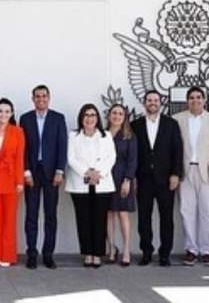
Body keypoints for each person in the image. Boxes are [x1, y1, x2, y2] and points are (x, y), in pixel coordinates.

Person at [174, 87, 209, 266]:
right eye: (191, 98)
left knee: (207, 212)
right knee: (186, 211)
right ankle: (191, 249)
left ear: (204, 100)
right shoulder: (178, 119)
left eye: (198, 97)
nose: (195, 100)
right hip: (185, 170)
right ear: (187, 100)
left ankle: (207, 250)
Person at [130, 90, 183, 266]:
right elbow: (133, 154)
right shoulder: (135, 125)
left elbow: (178, 151)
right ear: (144, 103)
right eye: (149, 100)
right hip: (143, 179)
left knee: (166, 218)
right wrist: (132, 177)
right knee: (144, 218)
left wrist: (176, 174)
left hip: (166, 179)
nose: (152, 103)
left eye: (155, 100)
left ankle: (165, 254)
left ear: (160, 103)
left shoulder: (171, 124)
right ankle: (146, 252)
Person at [19, 85, 67, 270]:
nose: (41, 99)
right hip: (32, 173)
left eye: (44, 96)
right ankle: (32, 253)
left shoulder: (58, 118)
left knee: (50, 215)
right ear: (33, 99)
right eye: (37, 96)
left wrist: (59, 171)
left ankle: (48, 254)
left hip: (51, 174)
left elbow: (62, 146)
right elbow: (22, 148)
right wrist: (26, 172)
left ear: (49, 98)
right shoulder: (25, 119)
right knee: (31, 215)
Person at [66, 104, 116, 268]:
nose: (90, 118)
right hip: (80, 183)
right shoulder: (73, 136)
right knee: (84, 219)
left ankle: (97, 254)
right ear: (82, 118)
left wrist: (97, 173)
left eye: (93, 115)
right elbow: (71, 158)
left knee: (99, 219)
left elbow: (111, 157)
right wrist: (87, 173)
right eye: (86, 115)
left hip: (101, 182)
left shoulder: (106, 135)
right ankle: (87, 253)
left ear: (98, 118)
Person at [0, 98, 25, 267]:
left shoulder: (18, 132)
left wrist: (19, 181)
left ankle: (8, 255)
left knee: (9, 219)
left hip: (11, 180)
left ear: (12, 113)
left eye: (7, 111)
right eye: (0, 111)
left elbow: (20, 158)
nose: (3, 114)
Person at [105, 103, 137, 267]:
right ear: (109, 115)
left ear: (124, 118)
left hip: (122, 179)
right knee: (109, 214)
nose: (117, 116)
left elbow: (133, 161)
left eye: (120, 114)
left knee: (123, 214)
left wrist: (127, 180)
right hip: (105, 179)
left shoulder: (129, 136)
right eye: (114, 113)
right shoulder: (102, 134)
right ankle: (111, 249)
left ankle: (125, 250)